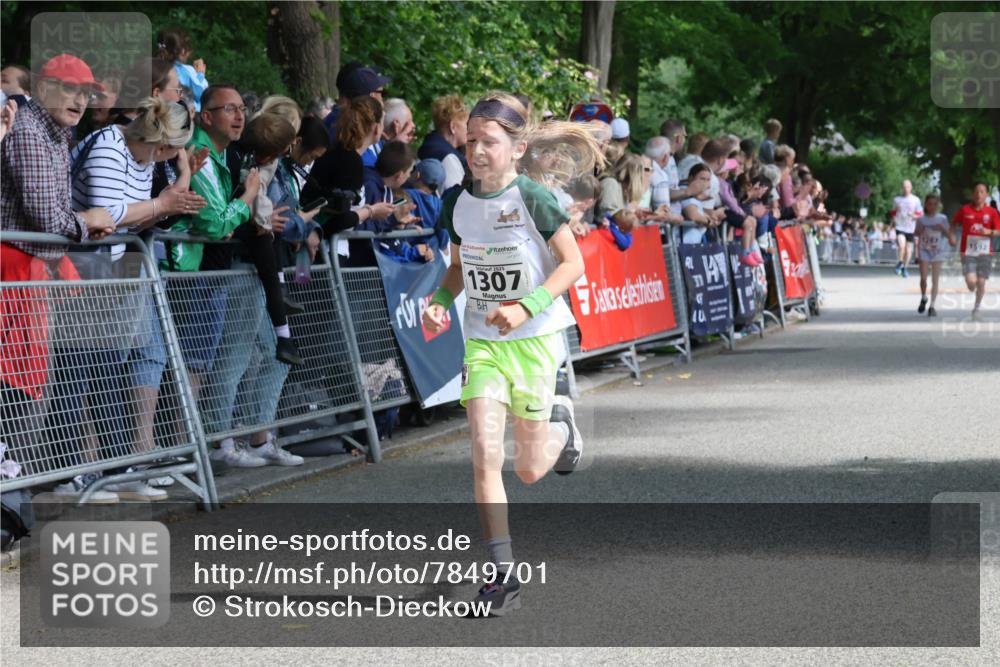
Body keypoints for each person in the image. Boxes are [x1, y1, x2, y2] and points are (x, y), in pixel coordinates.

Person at [422, 92, 600, 616]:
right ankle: (502, 578)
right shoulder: (457, 201)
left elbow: (572, 266)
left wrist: (526, 307)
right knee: (483, 453)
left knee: (527, 470)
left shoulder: (533, 199)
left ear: (517, 149)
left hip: (536, 339)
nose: (477, 151)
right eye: (471, 140)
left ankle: (561, 426)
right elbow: (460, 265)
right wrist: (438, 303)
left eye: (490, 142)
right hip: (483, 343)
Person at [68, 97, 205, 501]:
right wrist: (163, 203)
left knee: (110, 372)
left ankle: (114, 468)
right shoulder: (109, 145)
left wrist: (178, 182)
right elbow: (108, 214)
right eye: (174, 152)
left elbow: (140, 217)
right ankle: (76, 471)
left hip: (113, 276)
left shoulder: (144, 157)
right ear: (162, 144)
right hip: (81, 279)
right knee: (81, 374)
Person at [1, 54, 116, 502]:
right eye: (71, 90)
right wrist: (88, 221)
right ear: (45, 88)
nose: (80, 101)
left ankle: (13, 489)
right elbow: (46, 215)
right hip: (12, 265)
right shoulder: (27, 131)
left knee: (27, 385)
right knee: (12, 385)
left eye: (86, 94)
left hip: (32, 266)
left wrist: (82, 224)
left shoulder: (57, 133)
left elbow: (55, 216)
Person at [238, 111, 307, 365]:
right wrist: (265, 220)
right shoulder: (250, 165)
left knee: (272, 226)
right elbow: (256, 196)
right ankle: (284, 337)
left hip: (261, 233)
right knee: (267, 230)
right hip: (243, 239)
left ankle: (280, 288)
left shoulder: (266, 160)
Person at [951, 182, 1000, 321]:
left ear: (986, 195)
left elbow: (998, 231)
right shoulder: (965, 210)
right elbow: (953, 223)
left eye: (982, 192)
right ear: (973, 194)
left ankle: (977, 309)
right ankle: (972, 287)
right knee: (972, 283)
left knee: (982, 282)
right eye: (976, 192)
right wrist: (952, 236)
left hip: (985, 252)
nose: (979, 194)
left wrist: (988, 231)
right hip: (968, 252)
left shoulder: (992, 212)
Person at [323, 63, 388, 141]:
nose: (382, 99)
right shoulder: (346, 127)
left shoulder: (342, 119)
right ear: (372, 96)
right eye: (382, 93)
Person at [417, 95, 469, 194]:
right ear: (453, 127)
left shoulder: (429, 146)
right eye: (467, 124)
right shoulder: (449, 158)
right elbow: (456, 197)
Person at [914, 194, 954, 317]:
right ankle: (924, 296)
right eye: (929, 204)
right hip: (924, 250)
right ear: (926, 205)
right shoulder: (921, 219)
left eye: (934, 204)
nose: (932, 206)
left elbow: (949, 235)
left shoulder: (942, 218)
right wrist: (921, 230)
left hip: (937, 251)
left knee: (935, 280)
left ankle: (932, 306)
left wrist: (941, 228)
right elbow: (916, 234)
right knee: (924, 278)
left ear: (938, 205)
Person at [156, 29, 209, 111]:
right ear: (183, 50)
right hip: (187, 113)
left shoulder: (154, 67)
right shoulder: (186, 70)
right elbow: (201, 95)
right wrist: (200, 75)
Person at [363, 97, 415, 168]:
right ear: (395, 125)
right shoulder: (366, 153)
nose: (413, 125)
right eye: (408, 122)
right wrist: (397, 148)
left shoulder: (382, 143)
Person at [891, 179, 923, 278]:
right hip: (900, 226)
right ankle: (900, 262)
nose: (906, 189)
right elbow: (893, 212)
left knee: (909, 251)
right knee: (902, 246)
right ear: (902, 188)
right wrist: (894, 220)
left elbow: (921, 214)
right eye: (904, 187)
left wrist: (914, 216)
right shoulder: (897, 199)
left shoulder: (915, 200)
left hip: (911, 228)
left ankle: (905, 268)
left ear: (911, 187)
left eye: (908, 187)